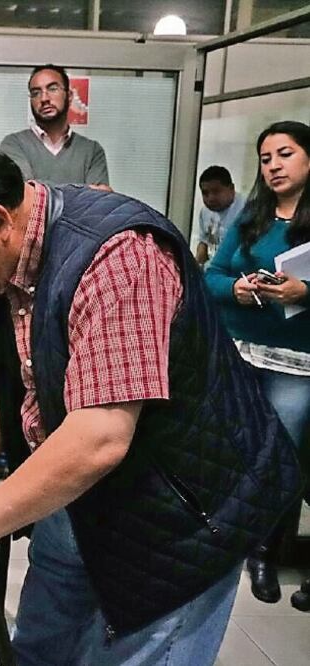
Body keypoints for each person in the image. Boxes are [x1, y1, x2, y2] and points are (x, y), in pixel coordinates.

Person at [0, 142, 302, 665]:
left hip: (179, 515)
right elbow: (17, 380)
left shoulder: (117, 258)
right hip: (79, 502)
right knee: (39, 650)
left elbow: (99, 438)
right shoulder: (10, 260)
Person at [205, 120, 310, 604]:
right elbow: (212, 277)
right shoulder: (251, 217)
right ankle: (225, 538)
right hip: (241, 352)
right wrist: (240, 290)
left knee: (280, 457)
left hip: (297, 363)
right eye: (266, 159)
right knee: (233, 449)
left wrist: (305, 291)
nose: (274, 166)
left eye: (284, 155)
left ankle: (267, 551)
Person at [0, 64, 110, 189]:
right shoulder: (14, 144)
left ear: (69, 96)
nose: (44, 98)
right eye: (36, 93)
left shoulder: (92, 151)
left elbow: (98, 203)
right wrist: (82, 191)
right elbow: (26, 194)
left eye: (52, 89)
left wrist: (40, 189)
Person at [195, 165, 246, 266]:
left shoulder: (247, 210)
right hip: (213, 270)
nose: (210, 198)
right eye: (205, 193)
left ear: (231, 189)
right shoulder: (205, 212)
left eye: (216, 192)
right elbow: (204, 243)